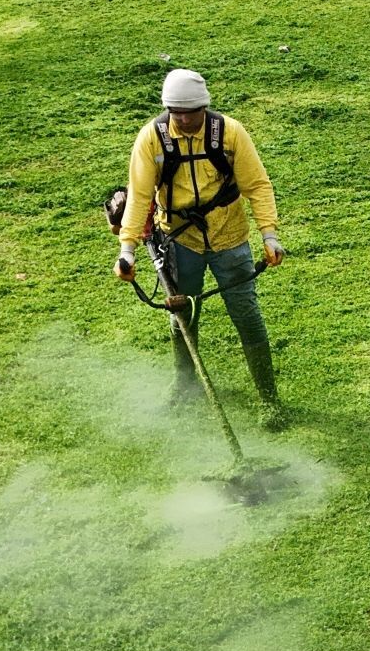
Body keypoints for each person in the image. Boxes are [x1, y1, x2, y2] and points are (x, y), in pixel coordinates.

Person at [115, 68, 286, 409]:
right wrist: (127, 249)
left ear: (204, 108)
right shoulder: (152, 139)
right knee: (183, 315)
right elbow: (139, 196)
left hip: (230, 237)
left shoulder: (231, 133)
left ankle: (269, 399)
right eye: (176, 113)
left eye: (190, 113)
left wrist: (270, 234)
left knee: (247, 315)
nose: (183, 120)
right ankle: (185, 384)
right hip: (179, 241)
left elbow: (257, 185)